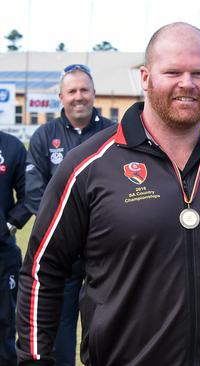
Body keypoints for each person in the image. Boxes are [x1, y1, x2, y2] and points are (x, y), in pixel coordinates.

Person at [16, 22, 200, 365]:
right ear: (146, 77)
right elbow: (44, 269)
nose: (187, 84)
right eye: (173, 71)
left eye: (199, 73)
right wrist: (34, 359)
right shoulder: (89, 165)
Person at [23, 63, 115, 366]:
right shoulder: (43, 136)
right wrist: (66, 232)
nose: (79, 96)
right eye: (72, 91)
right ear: (61, 97)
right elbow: (34, 192)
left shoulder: (116, 134)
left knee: (107, 326)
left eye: (84, 90)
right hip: (62, 255)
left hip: (105, 254)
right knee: (60, 330)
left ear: (94, 94)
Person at [0, 131, 32, 366]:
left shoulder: (11, 147)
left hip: (3, 254)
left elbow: (29, 195)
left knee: (4, 322)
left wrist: (8, 226)